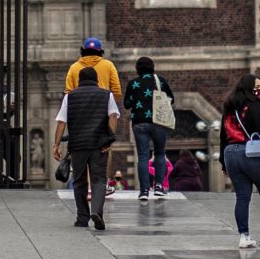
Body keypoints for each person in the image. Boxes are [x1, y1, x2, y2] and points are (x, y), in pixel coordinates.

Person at [221, 73, 260, 250]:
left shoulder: (229, 109)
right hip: (252, 154)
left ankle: (243, 236)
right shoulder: (255, 107)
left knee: (242, 197)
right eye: (257, 86)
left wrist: (223, 163)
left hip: (230, 154)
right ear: (250, 88)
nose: (259, 90)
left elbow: (222, 137)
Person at [55, 68, 121, 229]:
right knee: (99, 180)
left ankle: (82, 218)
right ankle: (96, 211)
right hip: (99, 144)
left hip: (77, 145)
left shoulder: (69, 97)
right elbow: (113, 116)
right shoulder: (107, 95)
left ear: (79, 80)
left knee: (79, 181)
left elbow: (61, 122)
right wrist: (110, 139)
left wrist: (56, 144)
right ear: (97, 79)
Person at [125, 55, 175, 200]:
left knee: (143, 156)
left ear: (137, 69)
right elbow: (171, 100)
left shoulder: (133, 83)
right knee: (159, 153)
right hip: (159, 122)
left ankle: (144, 191)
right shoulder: (160, 81)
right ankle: (158, 186)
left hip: (139, 122)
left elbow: (127, 104)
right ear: (153, 67)